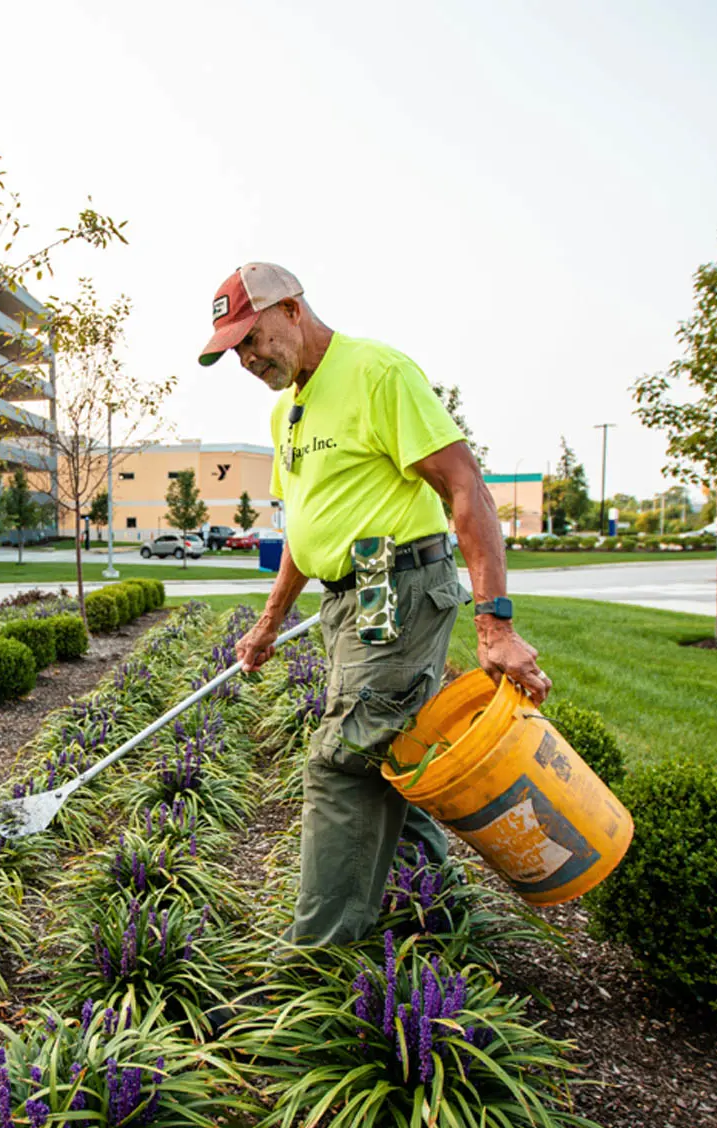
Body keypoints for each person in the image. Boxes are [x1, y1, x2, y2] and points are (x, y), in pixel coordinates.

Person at [199, 263, 550, 947]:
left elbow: (465, 485)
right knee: (388, 753)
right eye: (235, 349)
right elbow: (306, 525)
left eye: (254, 338)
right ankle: (437, 914)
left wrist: (495, 623)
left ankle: (319, 957)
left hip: (396, 588)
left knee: (340, 761)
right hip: (346, 603)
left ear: (293, 311)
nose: (246, 358)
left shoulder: (377, 373)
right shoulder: (285, 411)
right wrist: (269, 623)